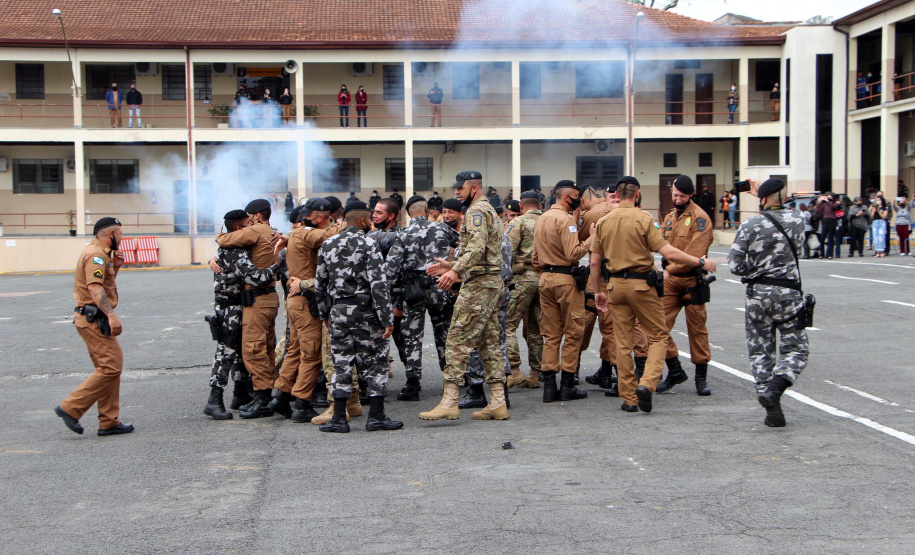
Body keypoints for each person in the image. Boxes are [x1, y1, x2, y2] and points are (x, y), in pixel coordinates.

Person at [589, 177, 717, 414]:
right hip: (642, 285)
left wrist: (598, 291)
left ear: (617, 195)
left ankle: (629, 398)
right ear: (637, 194)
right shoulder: (643, 218)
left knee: (622, 343)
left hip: (615, 286)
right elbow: (669, 252)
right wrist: (700, 262)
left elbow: (595, 263)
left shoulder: (604, 221)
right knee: (658, 336)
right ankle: (647, 384)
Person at [421, 170, 508, 421]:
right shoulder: (487, 209)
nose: (457, 192)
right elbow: (485, 253)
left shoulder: (476, 211)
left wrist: (455, 270)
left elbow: (477, 248)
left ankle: (450, 401)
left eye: (461, 188)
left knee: (457, 339)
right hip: (490, 281)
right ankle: (498, 402)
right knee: (489, 343)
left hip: (479, 285)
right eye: (456, 188)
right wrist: (450, 265)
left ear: (474, 188)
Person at [315, 201, 402, 433]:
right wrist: (387, 319)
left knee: (341, 362)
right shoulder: (368, 244)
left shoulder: (328, 244)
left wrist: (324, 314)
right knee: (376, 361)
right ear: (363, 221)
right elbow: (378, 284)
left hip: (338, 311)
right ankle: (376, 415)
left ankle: (338, 418)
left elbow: (320, 284)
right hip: (365, 312)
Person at [728, 178, 808, 428]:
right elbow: (786, 210)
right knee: (796, 348)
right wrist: (764, 194)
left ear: (762, 199)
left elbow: (735, 266)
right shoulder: (798, 219)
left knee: (760, 351)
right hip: (788, 294)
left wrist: (755, 269)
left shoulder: (749, 225)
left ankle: (770, 403)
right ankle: (776, 388)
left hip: (758, 294)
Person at [55, 217, 134, 436]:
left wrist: (116, 267)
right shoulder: (96, 255)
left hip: (93, 318)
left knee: (109, 369)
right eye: (120, 233)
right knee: (111, 368)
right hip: (94, 319)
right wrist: (111, 315)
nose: (122, 238)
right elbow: (94, 288)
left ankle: (108, 421)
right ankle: (70, 408)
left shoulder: (103, 254)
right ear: (111, 234)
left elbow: (104, 284)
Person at [267, 198, 343, 422]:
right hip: (305, 301)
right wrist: (346, 222)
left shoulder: (297, 233)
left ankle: (281, 396)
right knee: (311, 354)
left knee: (296, 350)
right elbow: (329, 234)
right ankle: (301, 402)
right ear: (320, 217)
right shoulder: (306, 233)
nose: (304, 217)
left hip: (297, 302)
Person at [204, 210, 282, 420]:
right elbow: (254, 277)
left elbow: (268, 234)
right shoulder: (234, 250)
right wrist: (277, 265)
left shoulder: (238, 245)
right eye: (248, 223)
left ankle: (240, 394)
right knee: (226, 351)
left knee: (241, 351)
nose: (252, 225)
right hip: (229, 307)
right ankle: (214, 399)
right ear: (239, 229)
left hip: (240, 304)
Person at [385, 195, 457, 401]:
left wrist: (392, 298)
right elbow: (463, 244)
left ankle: (412, 383)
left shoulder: (403, 234)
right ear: (426, 209)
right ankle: (450, 381)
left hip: (413, 290)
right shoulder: (442, 228)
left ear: (408, 213)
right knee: (444, 335)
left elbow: (391, 269)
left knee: (412, 337)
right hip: (440, 286)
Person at [533, 180, 592, 403]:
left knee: (551, 335)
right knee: (574, 332)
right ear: (567, 197)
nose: (580, 200)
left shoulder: (542, 219)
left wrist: (546, 274)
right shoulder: (566, 219)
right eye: (577, 196)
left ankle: (549, 388)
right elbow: (573, 254)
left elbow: (535, 258)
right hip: (566, 281)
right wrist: (592, 238)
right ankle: (567, 385)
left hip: (545, 280)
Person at [655, 176, 714, 396]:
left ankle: (701, 377)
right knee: (658, 326)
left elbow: (694, 254)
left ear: (690, 195)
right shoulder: (670, 216)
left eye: (682, 196)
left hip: (691, 280)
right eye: (675, 195)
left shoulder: (700, 218)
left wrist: (668, 270)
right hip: (670, 282)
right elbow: (658, 241)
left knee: (697, 330)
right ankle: (675, 370)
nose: (678, 199)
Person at [504, 190, 544, 389]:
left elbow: (507, 250)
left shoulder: (518, 223)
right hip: (544, 278)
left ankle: (514, 370)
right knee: (536, 328)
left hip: (522, 278)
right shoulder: (548, 221)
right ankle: (535, 373)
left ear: (521, 206)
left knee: (508, 324)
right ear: (539, 205)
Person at [815, 194, 842, 259]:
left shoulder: (835, 203)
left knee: (831, 238)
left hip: (832, 221)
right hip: (825, 221)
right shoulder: (824, 204)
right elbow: (818, 209)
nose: (828, 198)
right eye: (827, 197)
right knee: (822, 238)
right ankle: (822, 254)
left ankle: (830, 254)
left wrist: (828, 201)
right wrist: (820, 202)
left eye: (830, 197)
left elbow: (834, 207)